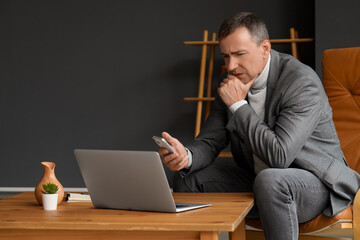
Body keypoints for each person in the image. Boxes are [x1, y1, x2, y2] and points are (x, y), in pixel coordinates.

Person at [157, 12, 360, 240]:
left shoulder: (301, 82)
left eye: (239, 54)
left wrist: (238, 105)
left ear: (265, 48)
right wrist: (187, 156)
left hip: (317, 184)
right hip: (258, 179)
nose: (231, 65)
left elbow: (279, 156)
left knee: (271, 180)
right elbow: (210, 140)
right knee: (187, 177)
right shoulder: (232, 84)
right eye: (225, 56)